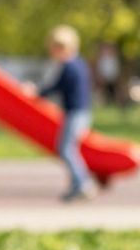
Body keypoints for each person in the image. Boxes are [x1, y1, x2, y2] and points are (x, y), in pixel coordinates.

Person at [32, 25, 96, 201]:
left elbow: (56, 86)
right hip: (81, 111)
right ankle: (76, 185)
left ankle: (83, 183)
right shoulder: (80, 63)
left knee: (66, 149)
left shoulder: (69, 66)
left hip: (75, 113)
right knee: (69, 148)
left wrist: (36, 92)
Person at [95, 41, 122, 107]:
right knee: (104, 92)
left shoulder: (113, 59)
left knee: (112, 91)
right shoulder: (102, 59)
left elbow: (115, 70)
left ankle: (113, 103)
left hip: (112, 79)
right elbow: (100, 69)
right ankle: (104, 103)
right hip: (104, 79)